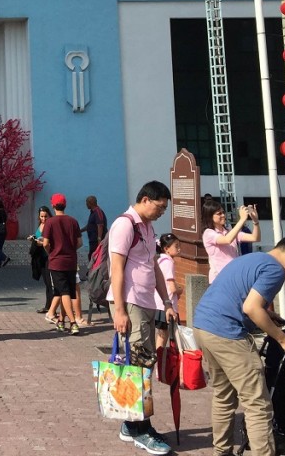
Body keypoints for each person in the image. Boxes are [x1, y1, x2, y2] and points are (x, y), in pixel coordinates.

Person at [193, 235, 285, 456]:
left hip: (203, 326)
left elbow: (240, 297)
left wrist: (267, 315)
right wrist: (284, 339)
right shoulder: (276, 270)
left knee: (223, 395)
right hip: (227, 332)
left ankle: (221, 452)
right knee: (258, 404)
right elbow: (251, 307)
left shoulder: (251, 258)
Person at [108, 180, 177, 456]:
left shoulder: (147, 228)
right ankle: (139, 429)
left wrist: (168, 302)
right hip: (132, 303)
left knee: (144, 365)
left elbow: (154, 267)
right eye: (160, 207)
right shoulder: (125, 224)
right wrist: (120, 310)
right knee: (138, 366)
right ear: (146, 199)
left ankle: (132, 424)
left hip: (148, 303)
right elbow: (116, 267)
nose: (162, 212)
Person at [42, 194, 83, 333]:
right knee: (65, 291)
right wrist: (70, 249)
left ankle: (72, 323)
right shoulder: (73, 221)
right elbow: (79, 242)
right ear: (65, 205)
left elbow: (46, 243)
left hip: (56, 262)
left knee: (64, 292)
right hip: (71, 261)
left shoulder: (50, 222)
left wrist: (51, 252)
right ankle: (61, 320)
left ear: (53, 206)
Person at [202, 196, 261, 283]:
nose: (223, 215)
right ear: (210, 217)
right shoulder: (208, 233)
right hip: (219, 279)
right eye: (219, 214)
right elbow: (227, 240)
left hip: (234, 276)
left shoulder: (229, 231)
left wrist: (255, 222)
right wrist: (242, 219)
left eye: (223, 212)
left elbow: (255, 238)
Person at [154, 233, 183, 352]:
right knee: (165, 335)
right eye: (176, 246)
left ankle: (159, 360)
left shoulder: (159, 260)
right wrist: (180, 289)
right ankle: (160, 361)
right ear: (166, 249)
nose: (179, 249)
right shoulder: (168, 262)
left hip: (158, 303)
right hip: (167, 306)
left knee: (162, 334)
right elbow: (172, 287)